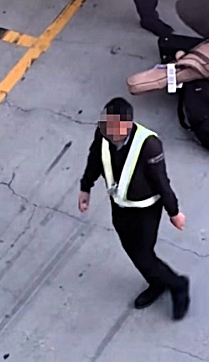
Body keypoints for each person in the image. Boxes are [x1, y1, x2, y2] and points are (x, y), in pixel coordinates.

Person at [78, 97, 191, 320]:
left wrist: (174, 212)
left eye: (114, 129)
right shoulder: (103, 132)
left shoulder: (149, 145)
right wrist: (85, 187)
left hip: (145, 210)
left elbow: (161, 182)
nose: (109, 133)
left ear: (128, 124)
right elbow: (95, 159)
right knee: (131, 249)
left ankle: (178, 285)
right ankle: (157, 282)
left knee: (143, 254)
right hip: (119, 205)